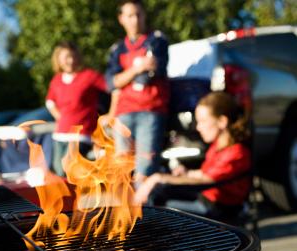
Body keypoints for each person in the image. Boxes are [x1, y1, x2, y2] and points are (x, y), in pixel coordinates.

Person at [134, 91, 252, 220]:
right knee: (159, 194)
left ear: (222, 121)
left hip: (219, 208)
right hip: (205, 198)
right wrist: (187, 172)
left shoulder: (236, 153)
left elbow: (206, 180)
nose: (198, 127)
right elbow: (206, 173)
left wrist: (159, 178)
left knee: (158, 207)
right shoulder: (217, 146)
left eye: (202, 121)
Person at [105, 0, 170, 188]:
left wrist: (124, 77)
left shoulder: (157, 40)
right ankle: (125, 214)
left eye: (138, 14)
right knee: (121, 168)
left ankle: (146, 213)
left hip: (150, 110)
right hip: (123, 113)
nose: (135, 20)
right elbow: (111, 83)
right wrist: (136, 69)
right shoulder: (117, 49)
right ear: (121, 19)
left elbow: (151, 73)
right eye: (130, 15)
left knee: (144, 167)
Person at [46, 41, 107, 176]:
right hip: (60, 135)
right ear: (59, 59)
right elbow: (50, 102)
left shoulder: (89, 76)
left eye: (73, 56)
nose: (71, 60)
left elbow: (112, 87)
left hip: (81, 135)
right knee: (58, 172)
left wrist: (111, 113)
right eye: (67, 57)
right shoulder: (56, 80)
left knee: (67, 169)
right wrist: (60, 117)